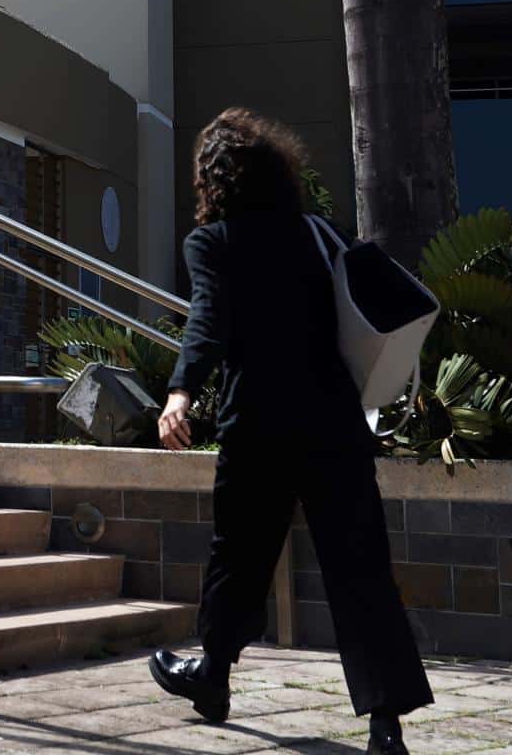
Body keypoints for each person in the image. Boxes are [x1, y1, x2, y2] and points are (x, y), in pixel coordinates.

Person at [147, 108, 431, 755]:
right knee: (360, 569)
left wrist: (180, 394)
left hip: (260, 427)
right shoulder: (318, 232)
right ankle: (385, 724)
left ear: (212, 180)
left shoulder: (214, 243)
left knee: (238, 557)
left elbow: (208, 322)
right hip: (335, 422)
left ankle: (213, 676)